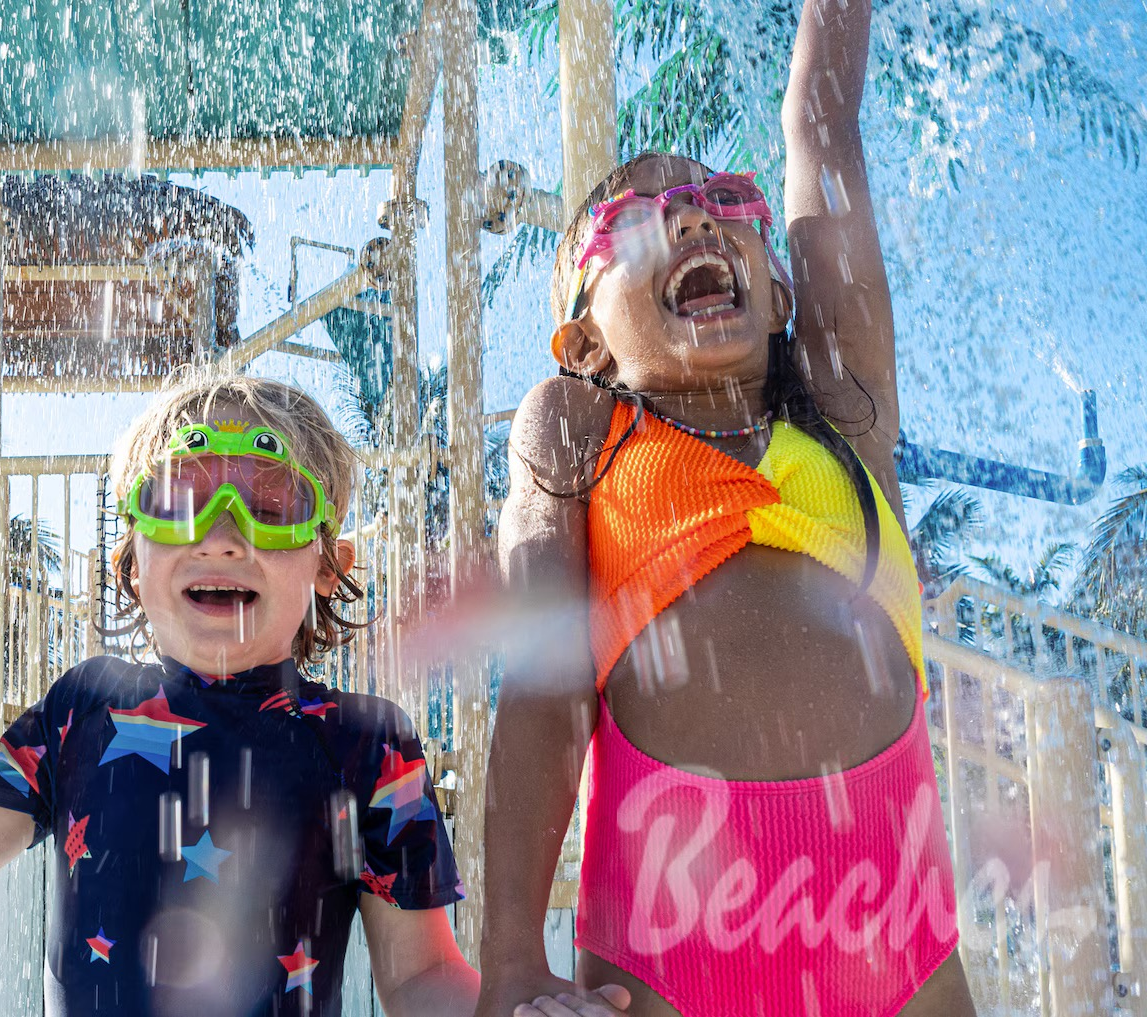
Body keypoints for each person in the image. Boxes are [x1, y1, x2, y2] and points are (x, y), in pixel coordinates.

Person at [476, 1, 975, 1015]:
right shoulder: (578, 427)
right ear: (584, 343)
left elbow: (823, 125)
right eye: (636, 215)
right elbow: (541, 684)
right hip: (669, 953)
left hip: (905, 950)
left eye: (723, 200)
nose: (695, 217)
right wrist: (512, 960)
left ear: (782, 296)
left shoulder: (845, 409)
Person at [0, 375, 516, 1016]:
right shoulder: (84, 709)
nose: (222, 538)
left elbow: (423, 975)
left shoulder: (369, 745)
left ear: (327, 566)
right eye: (180, 504)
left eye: (270, 508)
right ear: (131, 562)